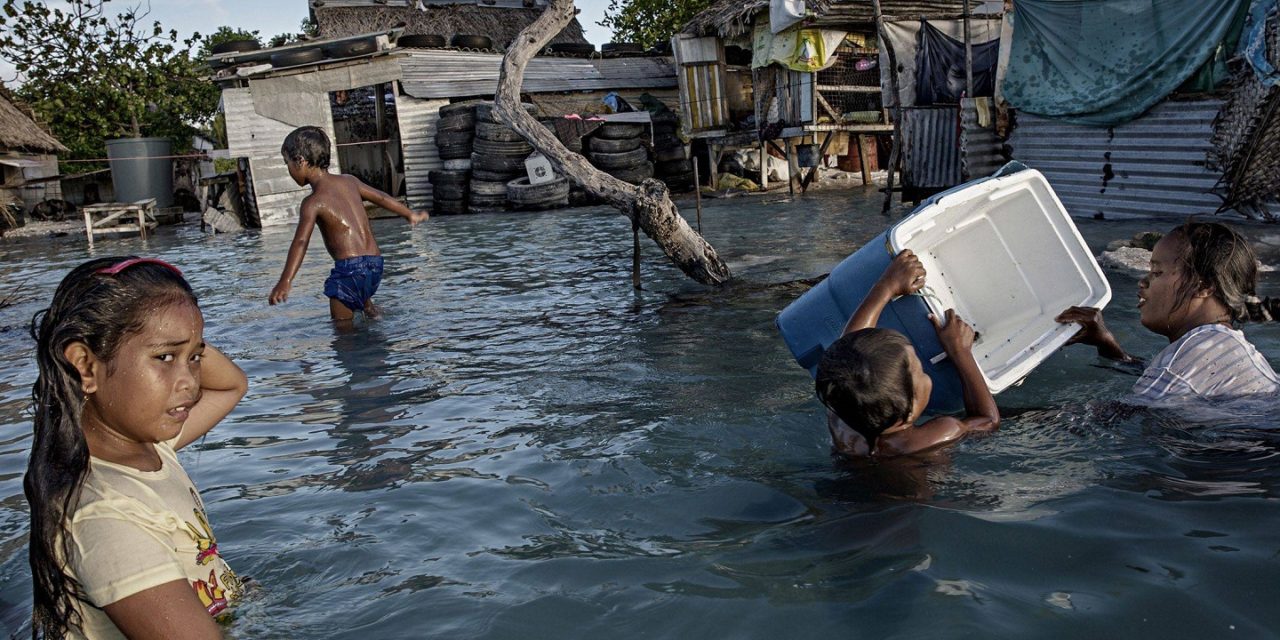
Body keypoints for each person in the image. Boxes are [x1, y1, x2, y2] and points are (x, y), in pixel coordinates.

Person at [26, 257, 249, 639]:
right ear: (85, 366)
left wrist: (181, 334)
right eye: (163, 357)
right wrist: (183, 339)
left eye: (195, 358)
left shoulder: (152, 447)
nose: (191, 384)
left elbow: (232, 385)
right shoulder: (105, 520)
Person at [1057, 221, 1279, 404]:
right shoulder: (1216, 345)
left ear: (1203, 287)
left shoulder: (1192, 355)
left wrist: (1024, 418)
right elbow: (1165, 377)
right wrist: (1109, 347)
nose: (1142, 282)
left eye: (1157, 272)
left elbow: (1108, 416)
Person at [815, 250, 1000, 458]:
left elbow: (850, 348)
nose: (925, 372)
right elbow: (988, 421)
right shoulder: (935, 435)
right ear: (910, 411)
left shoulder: (842, 410)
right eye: (920, 371)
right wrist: (960, 352)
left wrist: (887, 286)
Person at [268, 126, 428, 323]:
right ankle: (372, 312)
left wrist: (286, 280)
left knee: (343, 333)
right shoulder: (349, 181)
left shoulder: (313, 202)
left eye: (287, 163)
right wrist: (409, 214)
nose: (288, 170)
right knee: (364, 299)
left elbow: (301, 242)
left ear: (301, 161)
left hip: (349, 270)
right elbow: (381, 198)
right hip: (376, 264)